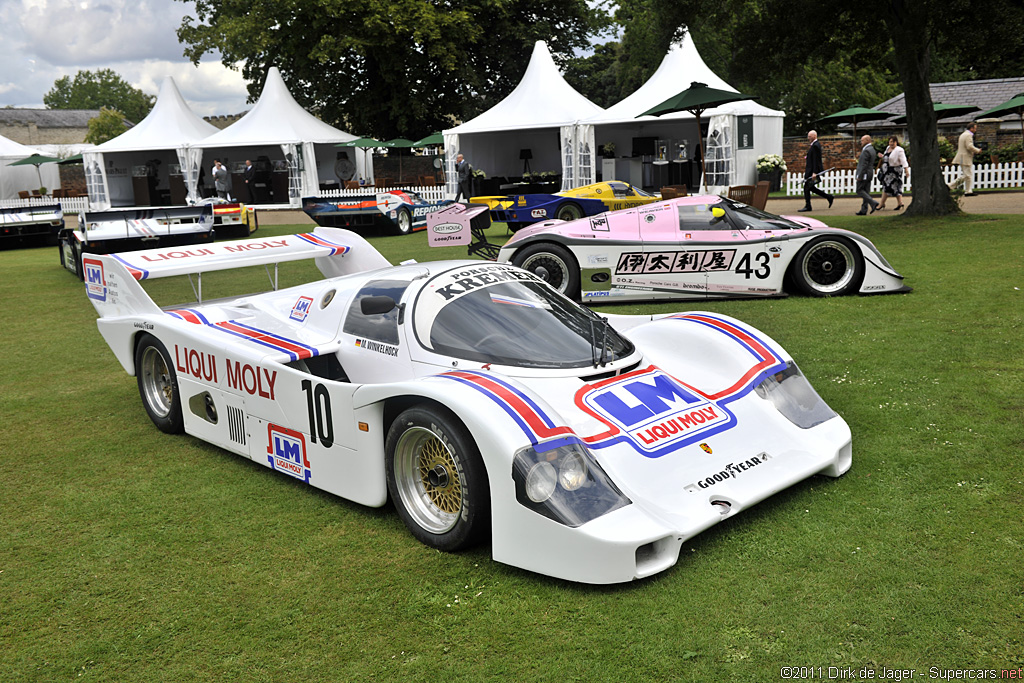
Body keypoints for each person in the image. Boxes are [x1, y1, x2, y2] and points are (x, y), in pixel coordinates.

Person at [798, 130, 834, 212]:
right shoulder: (814, 145)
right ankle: (828, 197)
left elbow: (816, 160)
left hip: (812, 171)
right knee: (811, 188)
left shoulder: (815, 146)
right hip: (811, 170)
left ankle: (808, 206)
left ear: (814, 136)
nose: (808, 138)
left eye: (810, 136)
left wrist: (814, 172)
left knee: (806, 188)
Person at [948, 122, 982, 196]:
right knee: (967, 175)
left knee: (968, 175)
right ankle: (950, 186)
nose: (976, 130)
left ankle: (968, 191)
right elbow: (969, 146)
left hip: (962, 157)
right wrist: (978, 150)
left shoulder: (963, 134)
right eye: (975, 128)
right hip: (965, 157)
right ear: (971, 128)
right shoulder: (968, 135)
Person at [877, 135, 908, 210]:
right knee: (895, 187)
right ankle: (900, 203)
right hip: (887, 171)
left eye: (892, 142)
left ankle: (881, 204)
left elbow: (903, 160)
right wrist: (882, 156)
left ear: (896, 142)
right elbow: (886, 158)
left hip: (894, 171)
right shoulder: (888, 148)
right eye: (890, 142)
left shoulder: (899, 150)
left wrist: (906, 170)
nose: (891, 143)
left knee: (887, 187)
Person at [855, 135, 880, 215]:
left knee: (859, 190)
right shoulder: (872, 149)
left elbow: (863, 165)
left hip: (864, 174)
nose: (861, 142)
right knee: (866, 191)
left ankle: (873, 202)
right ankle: (864, 209)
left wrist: (860, 175)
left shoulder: (866, 150)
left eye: (862, 140)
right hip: (869, 173)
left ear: (867, 140)